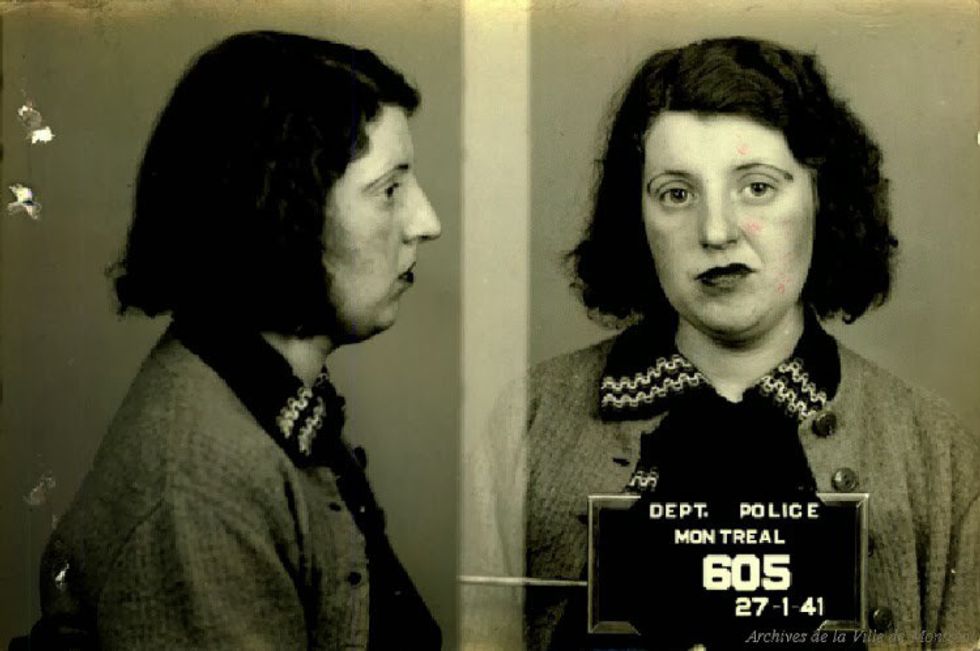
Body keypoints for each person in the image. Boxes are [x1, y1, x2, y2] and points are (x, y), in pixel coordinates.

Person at [462, 37, 979, 650]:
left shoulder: (935, 450)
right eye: (676, 194)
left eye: (757, 187)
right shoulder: (530, 420)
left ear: (821, 197)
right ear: (637, 216)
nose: (714, 232)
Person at [26, 30, 442, 649]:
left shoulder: (262, 392)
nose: (427, 222)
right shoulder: (200, 486)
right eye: (389, 191)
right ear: (285, 211)